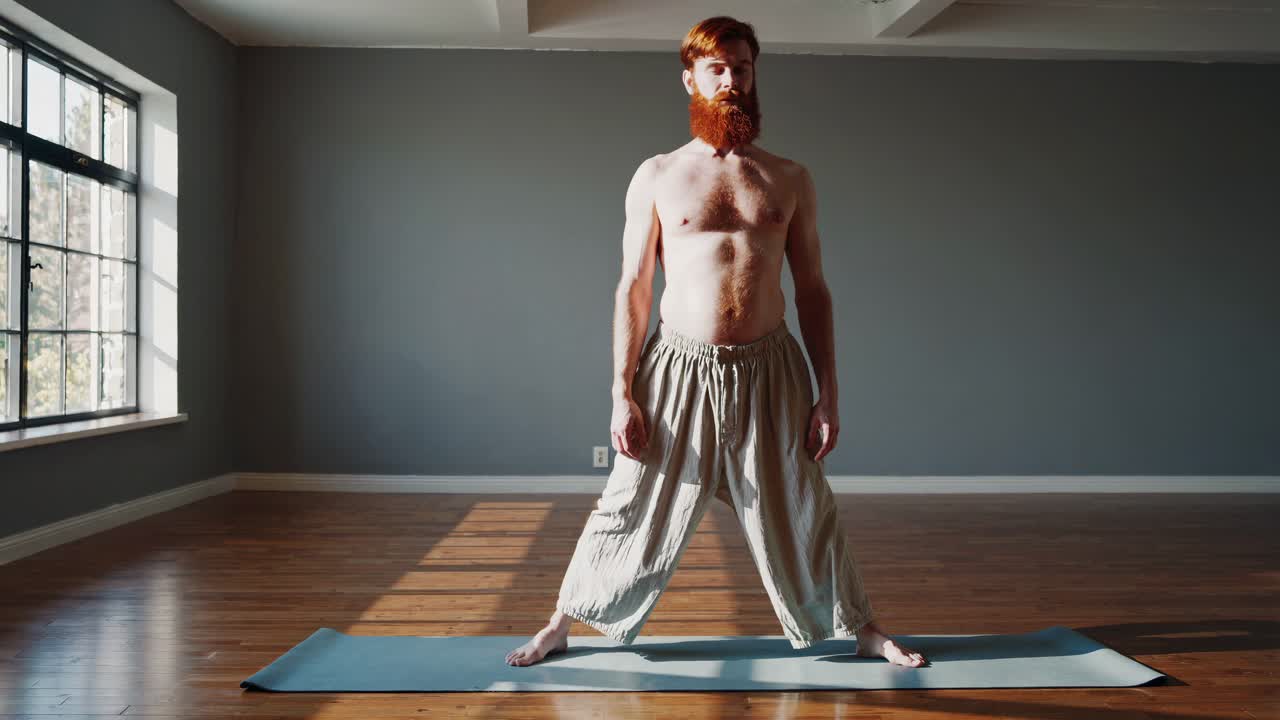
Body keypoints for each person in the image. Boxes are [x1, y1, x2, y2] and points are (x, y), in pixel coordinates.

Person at [506, 16, 927, 669]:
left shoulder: (789, 178)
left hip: (772, 366)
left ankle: (864, 627)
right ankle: (562, 622)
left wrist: (828, 394)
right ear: (690, 79)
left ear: (754, 76)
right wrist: (621, 393)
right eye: (717, 70)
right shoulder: (657, 175)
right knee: (629, 500)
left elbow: (813, 289)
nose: (731, 81)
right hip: (676, 366)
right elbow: (633, 288)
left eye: (742, 69)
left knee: (804, 504)